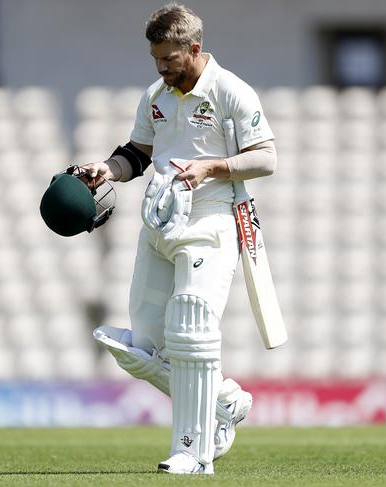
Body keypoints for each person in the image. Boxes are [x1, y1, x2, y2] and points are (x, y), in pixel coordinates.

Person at [82, 3, 277, 475]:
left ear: (194, 48)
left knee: (191, 328)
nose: (162, 67)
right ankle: (225, 402)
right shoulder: (157, 94)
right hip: (159, 223)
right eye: (156, 59)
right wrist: (106, 169)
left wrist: (211, 167)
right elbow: (137, 153)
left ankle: (193, 451)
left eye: (169, 58)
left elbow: (266, 157)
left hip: (211, 221)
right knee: (143, 345)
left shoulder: (231, 92)